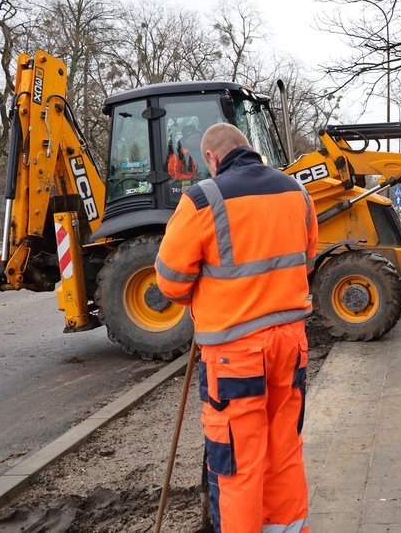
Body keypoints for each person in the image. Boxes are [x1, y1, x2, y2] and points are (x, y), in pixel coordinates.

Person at [155, 123, 317, 533]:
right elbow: (306, 259)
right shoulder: (297, 192)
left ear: (211, 158)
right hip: (290, 344)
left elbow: (171, 282)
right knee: (284, 449)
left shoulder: (202, 199)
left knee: (238, 463)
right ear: (249, 149)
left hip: (235, 355)